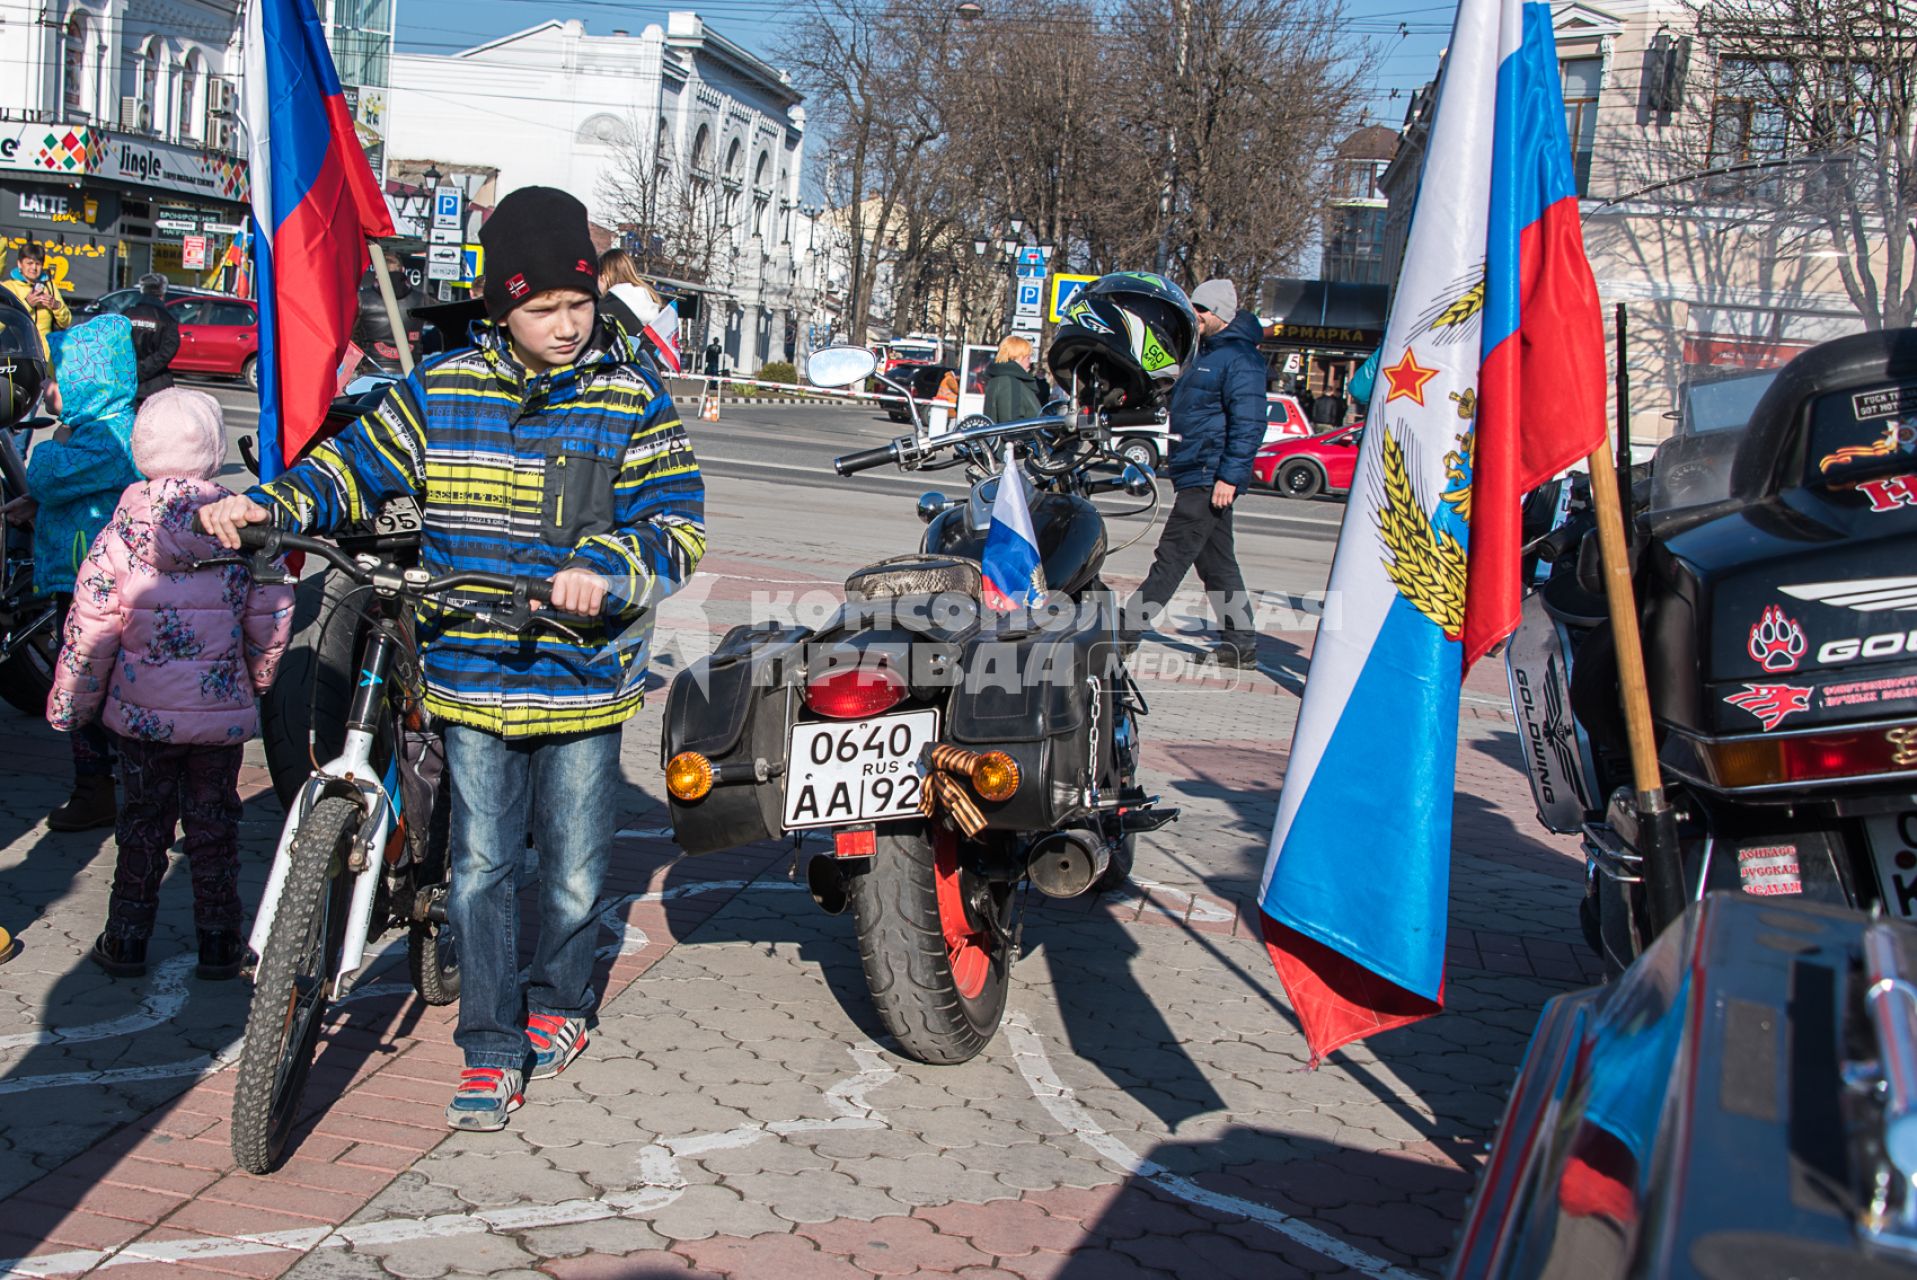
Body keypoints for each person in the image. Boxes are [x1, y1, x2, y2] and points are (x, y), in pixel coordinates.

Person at [200, 187, 707, 1132]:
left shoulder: (631, 399)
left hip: (582, 683)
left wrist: (608, 570)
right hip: (471, 673)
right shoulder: (441, 390)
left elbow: (676, 524)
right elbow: (348, 468)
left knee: (570, 871)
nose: (564, 324)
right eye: (540, 308)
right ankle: (487, 1045)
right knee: (477, 868)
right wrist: (269, 504)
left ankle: (558, 999)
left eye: (578, 303)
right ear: (498, 310)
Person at [48, 389, 294, 980]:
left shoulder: (119, 536)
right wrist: (256, 679)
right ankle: (219, 941)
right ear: (212, 452)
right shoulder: (244, 528)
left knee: (140, 827)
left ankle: (126, 937)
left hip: (141, 719)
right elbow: (274, 611)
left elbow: (89, 630)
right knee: (215, 828)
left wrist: (69, 706)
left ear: (140, 451)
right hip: (217, 716)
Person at [30, 315, 145, 830]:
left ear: (88, 379)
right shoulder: (111, 427)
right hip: (82, 577)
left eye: (62, 375)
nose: (52, 387)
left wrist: (56, 440)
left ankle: (97, 787)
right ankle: (109, 785)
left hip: (88, 586)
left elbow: (48, 477)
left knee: (83, 685)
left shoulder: (104, 434)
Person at [1131, 278, 1263, 667]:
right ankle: (1241, 643)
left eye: (1202, 310)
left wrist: (1230, 477)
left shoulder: (1240, 359)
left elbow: (1249, 422)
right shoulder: (1204, 353)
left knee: (1170, 556)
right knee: (1216, 563)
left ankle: (1123, 633)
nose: (1196, 315)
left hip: (1210, 473)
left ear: (1220, 314)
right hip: (1195, 469)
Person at [4, 243, 72, 355]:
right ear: (19, 264)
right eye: (29, 263)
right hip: (18, 353)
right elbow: (5, 320)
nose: (34, 268)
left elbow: (66, 322)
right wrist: (27, 304)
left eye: (38, 264)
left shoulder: (50, 286)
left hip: (46, 355)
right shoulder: (8, 287)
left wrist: (56, 306)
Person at [123, 273, 180, 404]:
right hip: (157, 384)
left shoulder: (127, 314)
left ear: (142, 290)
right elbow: (168, 350)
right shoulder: (167, 319)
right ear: (162, 294)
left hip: (127, 381)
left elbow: (115, 344)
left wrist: (135, 369)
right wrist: (144, 368)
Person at [983, 334, 1042, 422]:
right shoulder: (1009, 383)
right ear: (1017, 357)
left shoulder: (1001, 379)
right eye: (1027, 357)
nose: (1030, 362)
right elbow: (1011, 426)